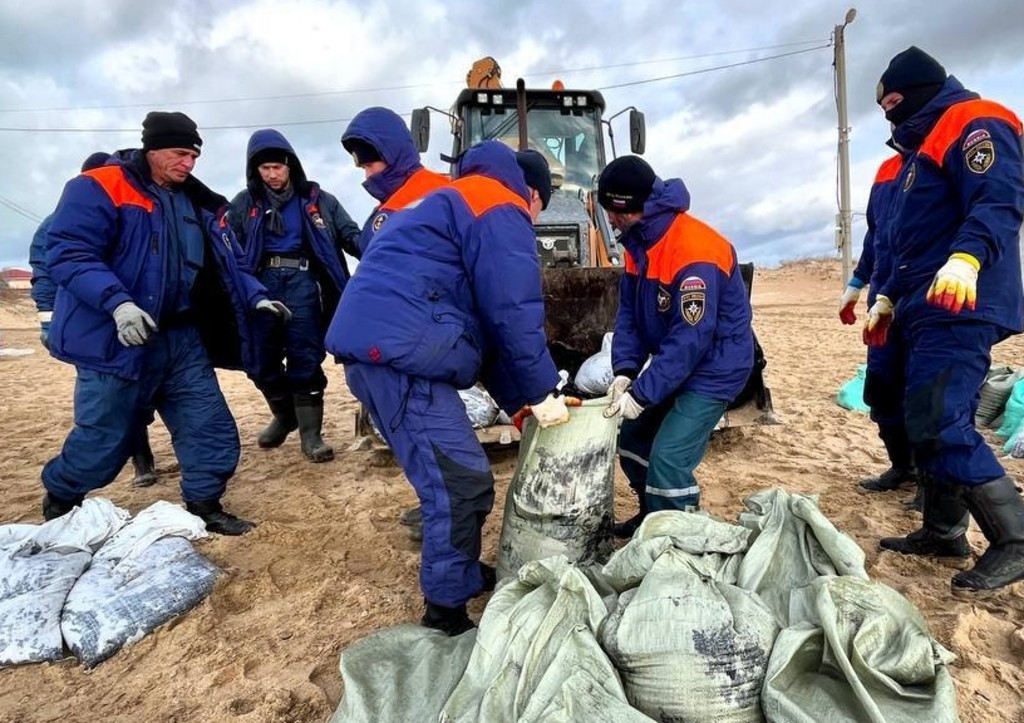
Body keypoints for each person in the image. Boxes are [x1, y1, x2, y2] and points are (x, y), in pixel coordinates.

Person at [325, 141, 571, 635]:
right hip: (399, 363)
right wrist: (545, 393)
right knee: (458, 485)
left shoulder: (455, 200)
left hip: (390, 353)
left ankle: (456, 571)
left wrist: (520, 405)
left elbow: (490, 333)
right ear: (532, 193)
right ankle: (446, 613)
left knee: (455, 480)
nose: (536, 217)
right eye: (540, 206)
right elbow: (514, 313)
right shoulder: (500, 203)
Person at [41, 111, 291, 536]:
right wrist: (117, 303)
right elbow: (68, 253)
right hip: (115, 338)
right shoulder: (98, 187)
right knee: (105, 437)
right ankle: (63, 497)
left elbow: (227, 264)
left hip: (180, 337)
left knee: (207, 422)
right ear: (152, 149)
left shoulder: (198, 202)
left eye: (194, 155)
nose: (188, 163)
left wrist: (257, 296)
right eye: (180, 153)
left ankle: (205, 504)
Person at [865, 47, 1024, 592]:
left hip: (962, 299)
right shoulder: (917, 153)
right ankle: (944, 530)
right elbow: (904, 243)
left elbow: (999, 198)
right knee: (921, 415)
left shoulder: (975, 121)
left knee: (941, 416)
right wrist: (885, 296)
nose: (888, 113)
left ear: (921, 90)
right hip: (921, 302)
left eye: (894, 101)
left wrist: (968, 256)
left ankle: (1014, 538)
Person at [597, 155, 754, 538]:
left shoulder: (696, 249)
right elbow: (630, 315)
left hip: (715, 368)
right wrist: (625, 371)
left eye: (613, 212)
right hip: (679, 364)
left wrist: (644, 393)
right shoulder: (639, 245)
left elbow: (691, 338)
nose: (610, 221)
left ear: (632, 208)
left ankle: (681, 542)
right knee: (632, 440)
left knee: (668, 459)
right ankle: (654, 516)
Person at [341, 106, 450, 538]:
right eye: (359, 162)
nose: (365, 170)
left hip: (410, 348)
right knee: (410, 441)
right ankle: (434, 508)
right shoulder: (382, 211)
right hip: (381, 352)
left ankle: (441, 520)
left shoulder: (438, 192)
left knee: (428, 442)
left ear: (395, 150)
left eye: (370, 159)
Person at [228, 129, 361, 463]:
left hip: (304, 284)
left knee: (305, 356)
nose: (272, 174)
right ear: (254, 170)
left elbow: (350, 235)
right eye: (265, 168)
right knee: (260, 360)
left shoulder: (318, 200)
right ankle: (285, 415)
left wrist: (384, 244)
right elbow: (225, 248)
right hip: (261, 285)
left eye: (277, 167)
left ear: (290, 165)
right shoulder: (245, 204)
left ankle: (311, 436)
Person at [30, 151, 159, 489]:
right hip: (87, 327)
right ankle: (140, 460)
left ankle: (141, 457)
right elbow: (45, 275)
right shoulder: (58, 221)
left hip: (132, 316)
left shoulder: (137, 211)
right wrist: (47, 322)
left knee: (138, 392)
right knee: (109, 399)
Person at [839, 154, 920, 500]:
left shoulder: (940, 154)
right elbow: (876, 236)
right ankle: (903, 467)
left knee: (925, 396)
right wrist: (857, 282)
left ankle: (933, 487)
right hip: (883, 301)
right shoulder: (887, 170)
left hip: (927, 297)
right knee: (882, 388)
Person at [341, 106, 448, 255]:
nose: (367, 175)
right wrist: (341, 226)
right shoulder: (389, 203)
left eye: (369, 165)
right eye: (363, 168)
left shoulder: (439, 195)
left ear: (390, 155)